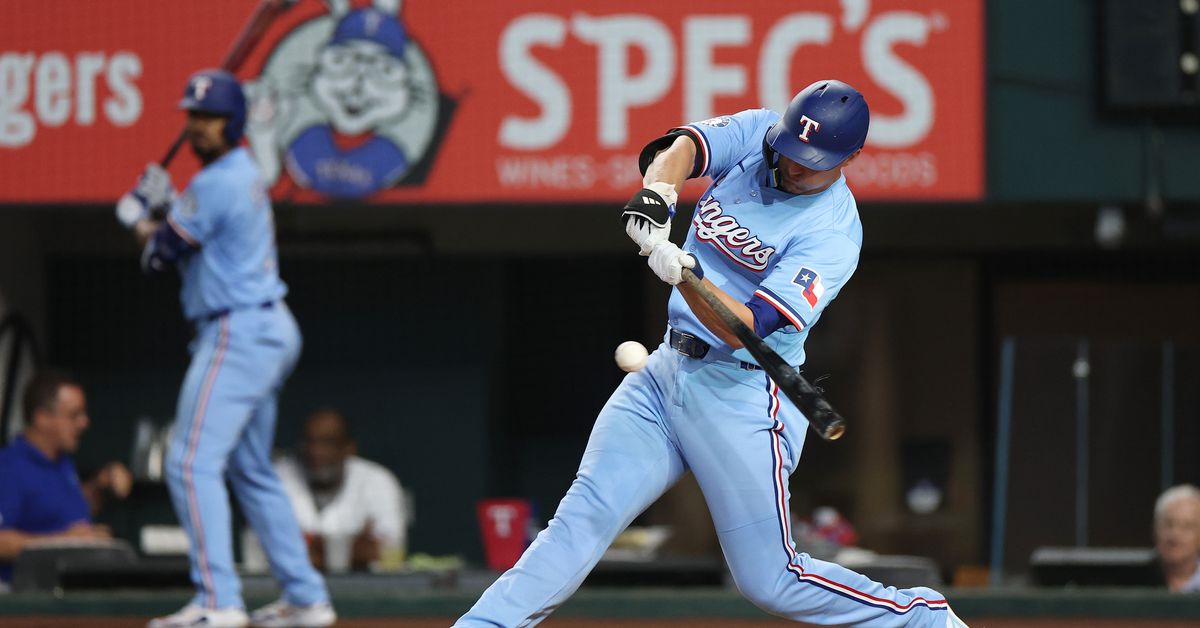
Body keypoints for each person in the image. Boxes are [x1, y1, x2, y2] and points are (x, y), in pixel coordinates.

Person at [455, 80, 967, 627]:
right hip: (664, 374)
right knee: (580, 521)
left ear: (850, 158)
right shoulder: (759, 133)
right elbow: (680, 149)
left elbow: (746, 329)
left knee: (772, 580)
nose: (794, 166)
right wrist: (659, 196)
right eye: (791, 150)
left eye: (811, 161)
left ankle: (924, 619)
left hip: (743, 393)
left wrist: (687, 275)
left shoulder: (833, 233)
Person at [114, 69, 334, 628]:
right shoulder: (234, 175)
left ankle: (218, 601)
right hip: (263, 327)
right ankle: (306, 598)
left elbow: (159, 255)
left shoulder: (217, 182)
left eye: (209, 117)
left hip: (238, 331)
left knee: (190, 462)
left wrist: (139, 214)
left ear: (233, 122)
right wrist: (165, 208)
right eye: (193, 115)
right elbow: (187, 240)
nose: (198, 126)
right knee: (250, 468)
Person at [0, 370, 131, 583]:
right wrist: (67, 543)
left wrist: (100, 484)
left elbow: (62, 511)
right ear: (42, 418)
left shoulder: (62, 462)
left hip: (72, 588)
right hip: (25, 596)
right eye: (74, 415)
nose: (84, 423)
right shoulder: (8, 467)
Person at [243, 408, 409, 573]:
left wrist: (306, 546)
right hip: (289, 587)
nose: (316, 452)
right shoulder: (277, 477)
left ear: (349, 448)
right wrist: (351, 547)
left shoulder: (377, 480)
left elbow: (389, 551)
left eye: (327, 442)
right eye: (309, 442)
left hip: (363, 588)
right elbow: (261, 547)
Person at [1154, 484, 1200, 593]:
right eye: (1168, 524)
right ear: (1155, 529)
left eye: (1187, 527)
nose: (1175, 535)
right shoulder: (1129, 582)